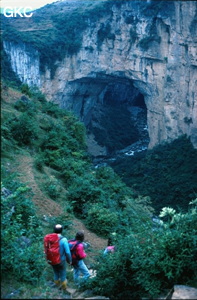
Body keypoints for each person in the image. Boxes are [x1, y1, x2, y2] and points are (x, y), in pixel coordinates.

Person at [50, 224, 72, 291]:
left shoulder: (50, 238)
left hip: (52, 259)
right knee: (63, 273)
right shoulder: (64, 240)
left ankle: (56, 288)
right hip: (61, 260)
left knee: (56, 273)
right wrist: (69, 260)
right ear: (61, 230)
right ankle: (64, 289)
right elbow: (67, 252)